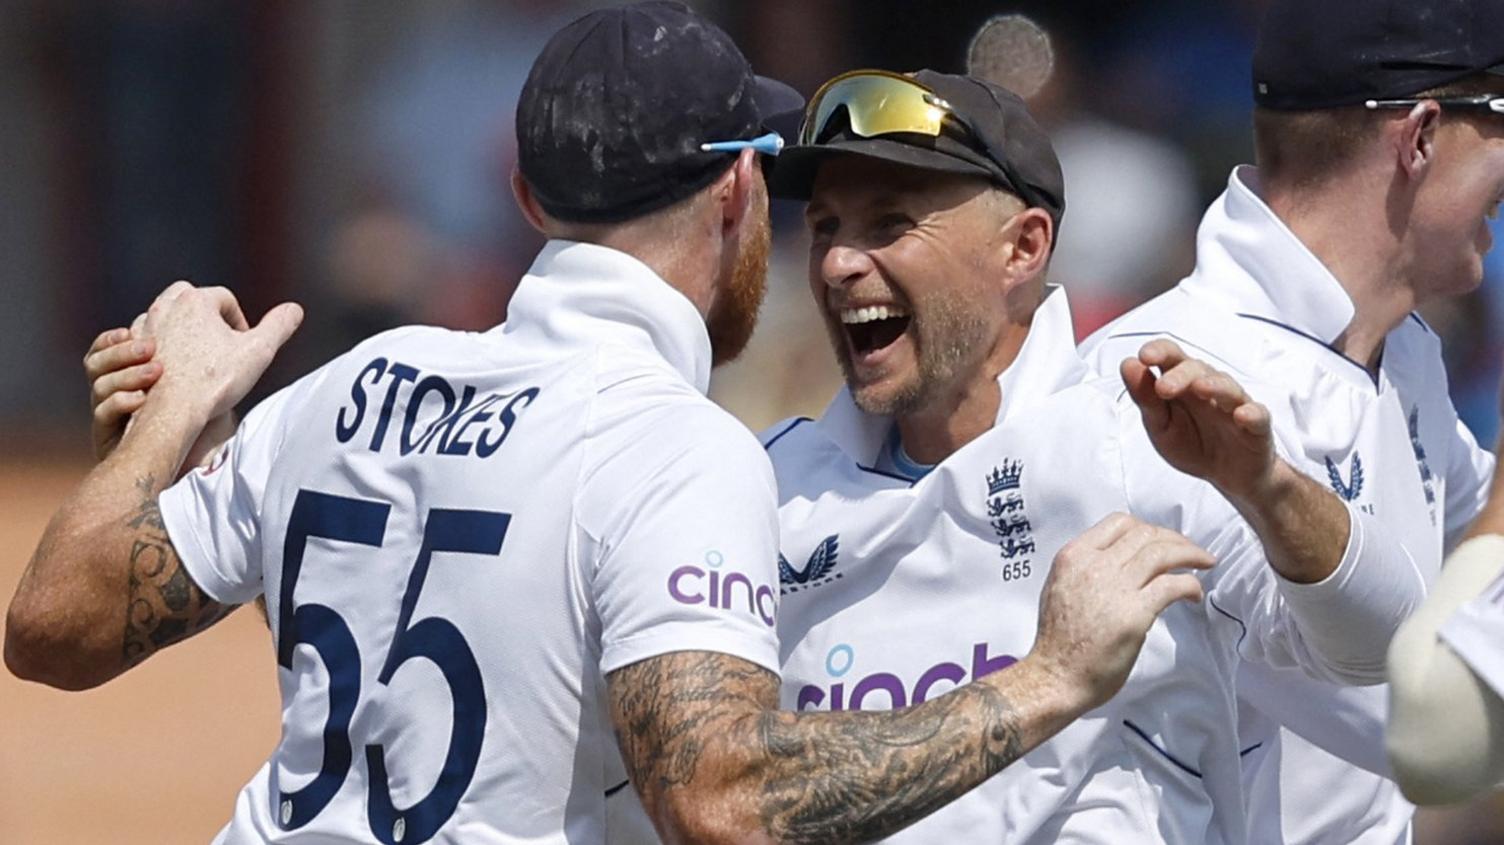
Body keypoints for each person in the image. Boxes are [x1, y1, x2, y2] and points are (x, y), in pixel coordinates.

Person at [6, 4, 1216, 844]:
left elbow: (52, 626)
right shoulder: (672, 448)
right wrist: (1045, 681)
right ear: (742, 188)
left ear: (528, 197)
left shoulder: (351, 384)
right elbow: (723, 802)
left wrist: (171, 413)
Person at [640, 66, 1421, 844]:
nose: (841, 263)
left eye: (888, 224)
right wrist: (1052, 677)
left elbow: (1384, 649)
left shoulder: (1141, 445)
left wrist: (1269, 487)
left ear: (1023, 247)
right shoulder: (766, 488)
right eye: (824, 228)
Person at [1082, 2, 1504, 842]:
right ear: (1419, 138)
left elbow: (1479, 534)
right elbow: (1418, 725)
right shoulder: (1158, 388)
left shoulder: (1402, 349)